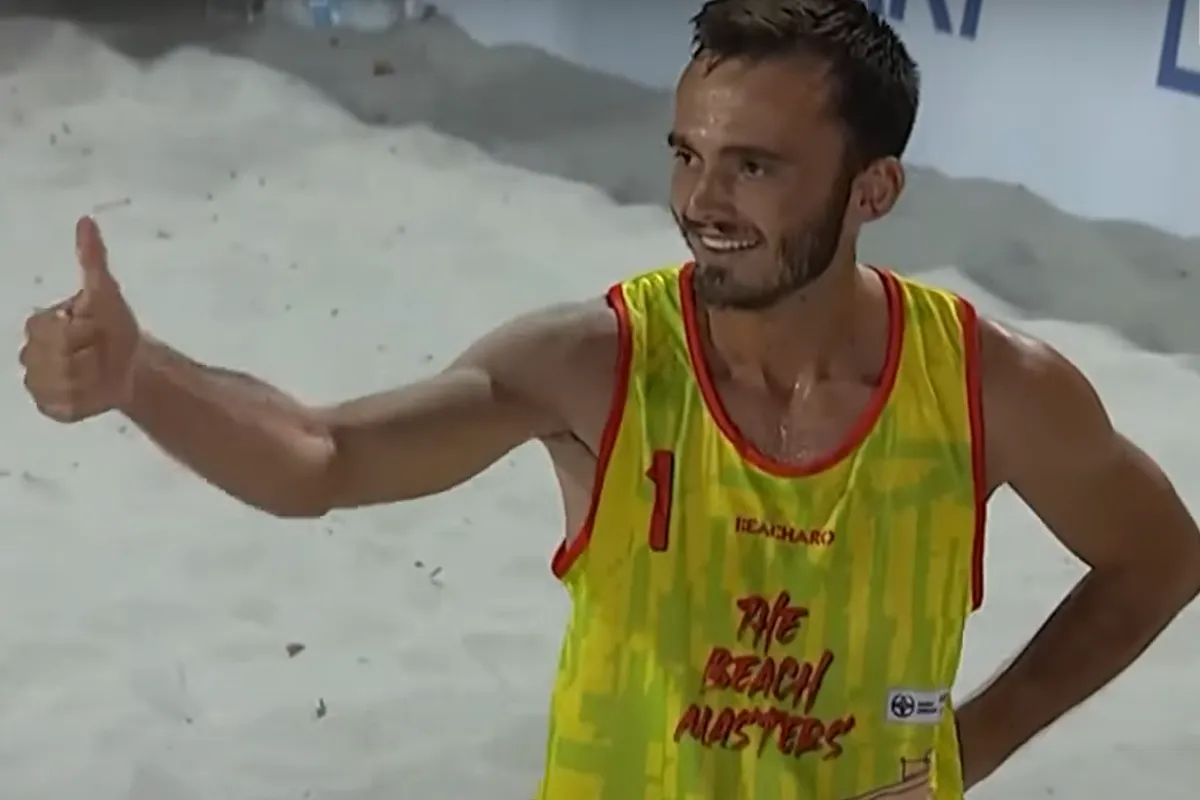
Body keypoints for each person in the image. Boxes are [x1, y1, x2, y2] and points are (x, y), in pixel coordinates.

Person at [19, 0, 1200, 798]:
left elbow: (1160, 558)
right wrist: (140, 376)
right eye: (687, 153)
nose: (703, 202)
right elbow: (321, 456)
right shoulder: (598, 362)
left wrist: (962, 751)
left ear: (873, 189)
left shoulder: (990, 384)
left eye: (754, 165)